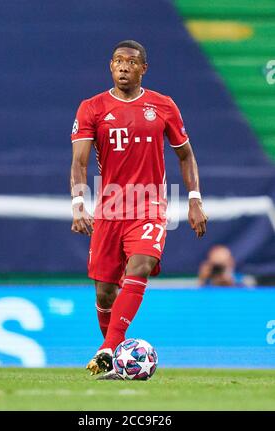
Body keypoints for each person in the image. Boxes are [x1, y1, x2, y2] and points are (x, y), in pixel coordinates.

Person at [70, 40, 208, 379]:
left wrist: (194, 199)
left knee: (142, 263)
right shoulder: (92, 108)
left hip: (149, 205)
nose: (123, 67)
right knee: (104, 291)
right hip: (109, 209)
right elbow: (80, 161)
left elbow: (185, 155)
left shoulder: (163, 106)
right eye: (117, 61)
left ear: (143, 68)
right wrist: (78, 203)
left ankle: (108, 348)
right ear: (110, 66)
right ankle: (117, 356)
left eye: (131, 62)